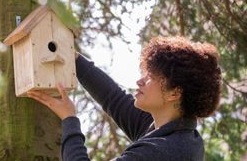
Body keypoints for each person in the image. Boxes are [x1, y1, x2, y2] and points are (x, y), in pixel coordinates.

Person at [27, 36, 222, 161]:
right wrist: (72, 57)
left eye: (150, 78)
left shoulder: (163, 151)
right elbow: (114, 99)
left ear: (175, 93)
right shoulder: (172, 132)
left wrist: (69, 118)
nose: (139, 81)